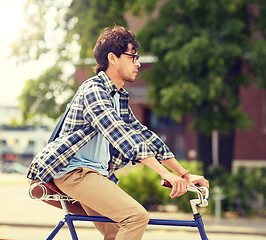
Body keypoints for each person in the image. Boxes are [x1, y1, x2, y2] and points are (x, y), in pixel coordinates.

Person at [27, 25, 209, 240]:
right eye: (133, 57)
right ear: (112, 58)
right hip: (74, 173)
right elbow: (120, 134)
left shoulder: (118, 96)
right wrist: (164, 173)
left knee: (116, 234)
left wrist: (183, 174)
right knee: (136, 217)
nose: (138, 63)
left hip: (95, 176)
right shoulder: (93, 90)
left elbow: (143, 136)